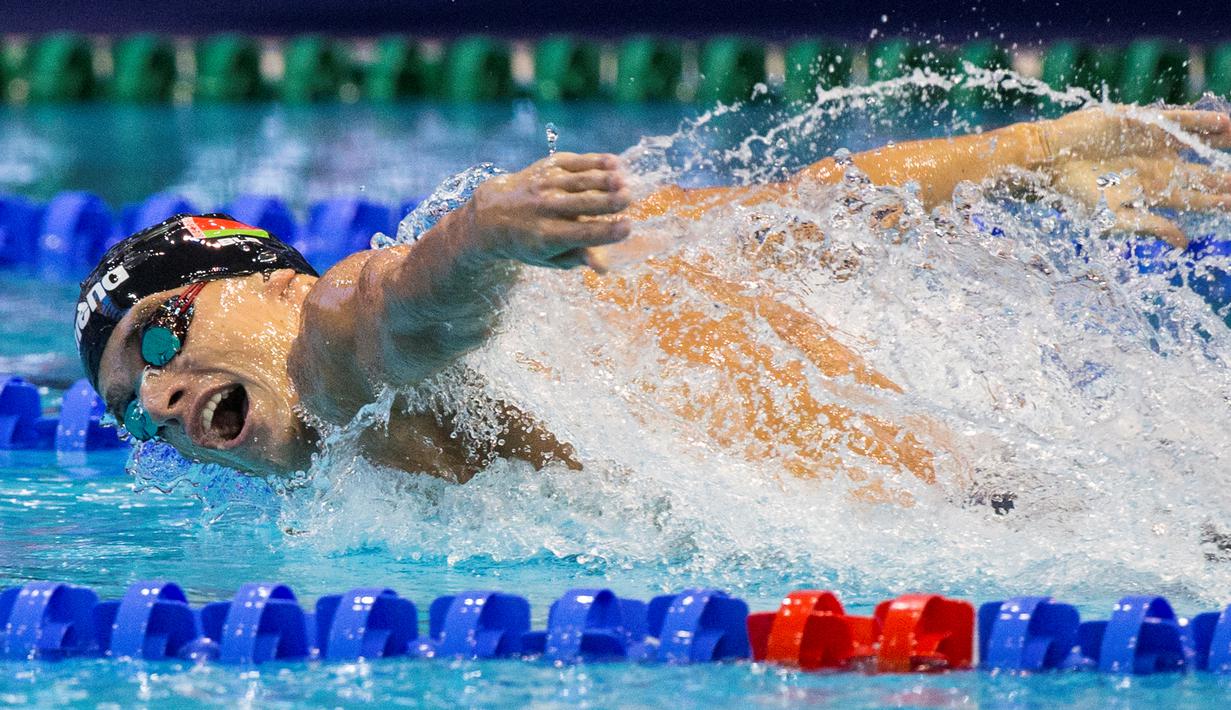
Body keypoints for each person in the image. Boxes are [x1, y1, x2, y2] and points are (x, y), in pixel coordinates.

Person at [77, 106, 1231, 500]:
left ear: (266, 279)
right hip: (1038, 479)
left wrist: (479, 234)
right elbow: (804, 209)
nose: (167, 396)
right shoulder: (588, 262)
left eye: (162, 333)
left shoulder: (329, 346)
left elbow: (389, 313)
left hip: (991, 541)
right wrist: (1033, 152)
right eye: (137, 407)